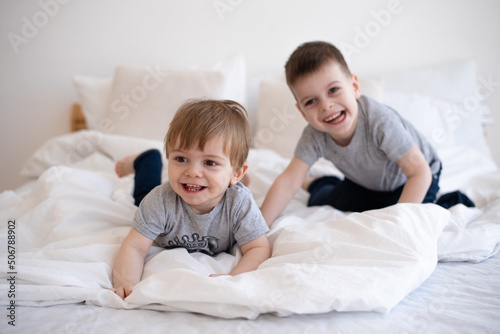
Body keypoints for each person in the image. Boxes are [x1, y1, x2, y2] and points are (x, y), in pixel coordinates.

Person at [260, 41, 474, 227]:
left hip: (416, 176)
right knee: (325, 200)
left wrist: (396, 221)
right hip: (366, 182)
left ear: (354, 87)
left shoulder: (379, 122)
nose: (326, 106)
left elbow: (419, 172)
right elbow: (288, 183)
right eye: (311, 101)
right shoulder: (314, 135)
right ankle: (317, 182)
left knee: (421, 216)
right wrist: (257, 227)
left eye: (333, 90)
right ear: (302, 112)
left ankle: (455, 199)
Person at [112, 99, 271, 300]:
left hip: (228, 186)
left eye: (210, 162)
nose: (193, 171)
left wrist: (232, 280)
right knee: (144, 190)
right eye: (181, 159)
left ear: (237, 173)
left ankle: (229, 177)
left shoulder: (239, 204)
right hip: (163, 194)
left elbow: (258, 247)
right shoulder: (159, 201)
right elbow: (134, 246)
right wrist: (126, 283)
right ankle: (147, 159)